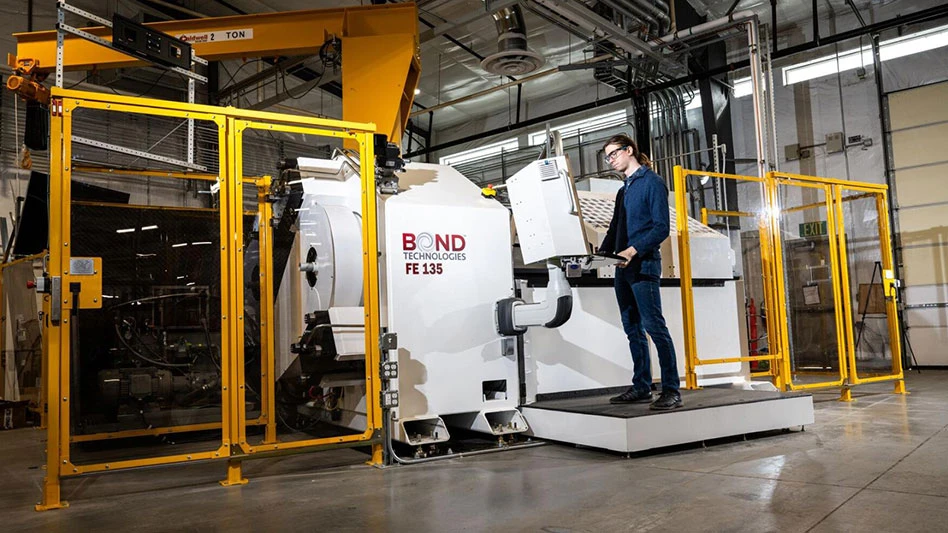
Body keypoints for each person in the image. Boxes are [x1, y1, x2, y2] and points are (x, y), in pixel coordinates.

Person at [598, 134, 682, 410]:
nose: (610, 161)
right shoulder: (624, 190)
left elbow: (661, 228)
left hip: (643, 265)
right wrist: (597, 255)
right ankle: (642, 387)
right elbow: (614, 229)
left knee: (654, 327)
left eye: (613, 154)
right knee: (632, 328)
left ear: (629, 150)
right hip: (622, 269)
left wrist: (632, 251)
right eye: (607, 157)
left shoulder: (652, 183)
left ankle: (671, 390)